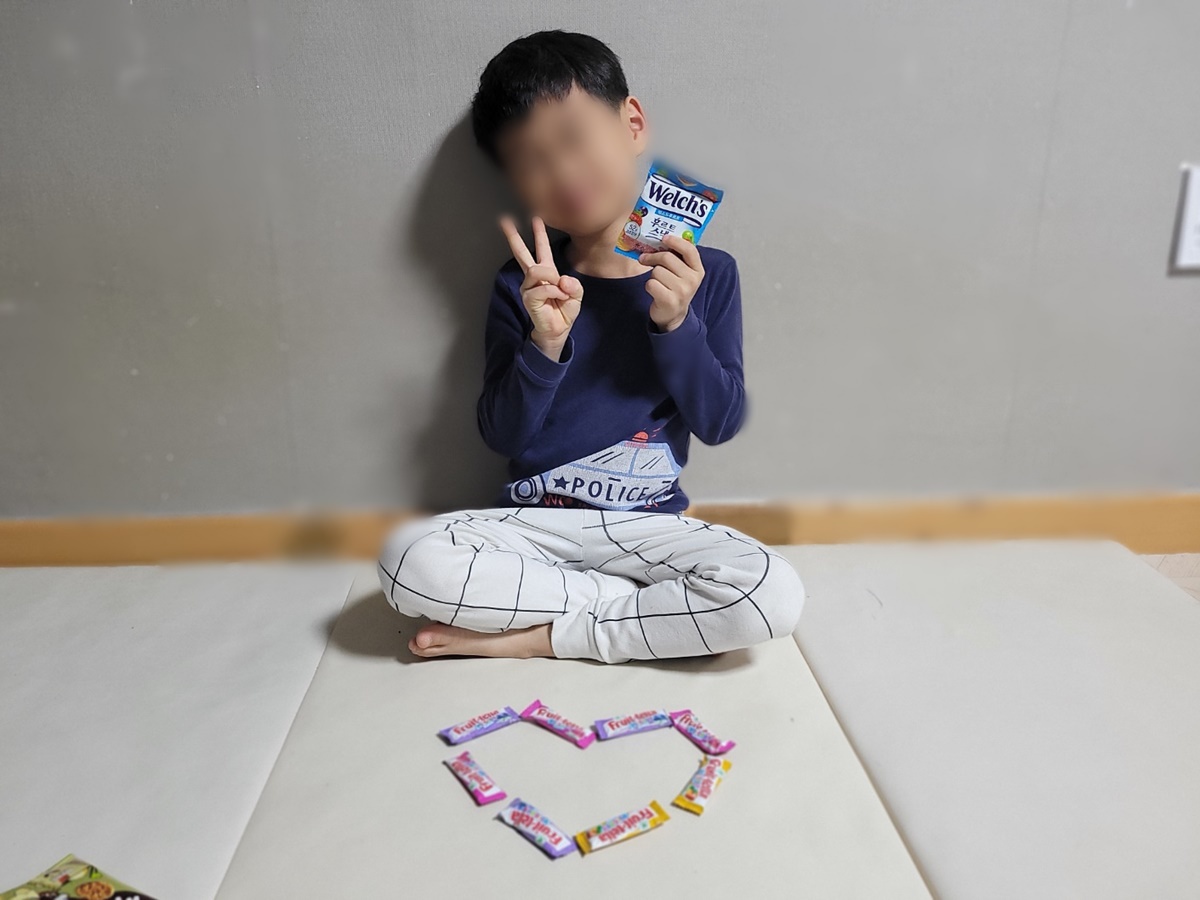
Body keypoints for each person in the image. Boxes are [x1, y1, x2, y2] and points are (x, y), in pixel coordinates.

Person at [376, 29, 804, 664]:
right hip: (532, 526)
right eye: (530, 161)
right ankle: (633, 608)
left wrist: (676, 324)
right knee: (406, 562)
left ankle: (545, 636)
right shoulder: (522, 285)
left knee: (772, 594)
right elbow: (503, 434)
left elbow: (720, 421)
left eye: (574, 139)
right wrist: (544, 343)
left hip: (650, 528)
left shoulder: (709, 273)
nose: (563, 173)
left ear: (632, 123)